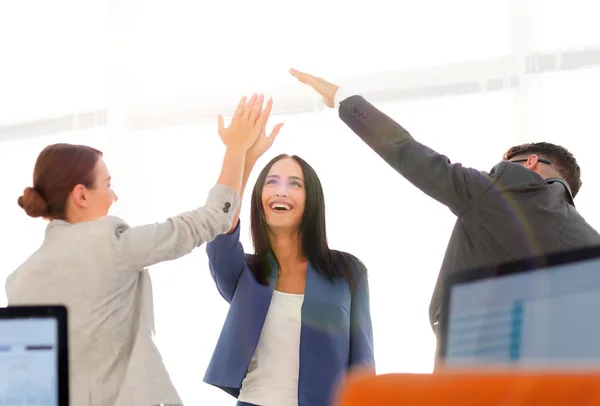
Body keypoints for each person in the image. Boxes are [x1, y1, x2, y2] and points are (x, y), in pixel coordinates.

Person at [289, 68, 600, 360]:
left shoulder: (498, 194)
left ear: (531, 163)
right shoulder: (589, 244)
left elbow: (407, 151)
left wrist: (343, 99)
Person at [5, 94, 274, 406]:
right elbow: (213, 217)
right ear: (80, 195)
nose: (114, 196)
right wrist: (236, 149)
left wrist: (243, 159)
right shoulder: (110, 241)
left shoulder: (18, 280)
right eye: (107, 184)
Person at [202, 117, 375, 406]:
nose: (281, 190)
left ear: (312, 200)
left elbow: (362, 362)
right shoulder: (242, 271)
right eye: (272, 182)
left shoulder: (348, 272)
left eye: (294, 184)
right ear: (259, 198)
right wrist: (242, 155)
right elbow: (220, 226)